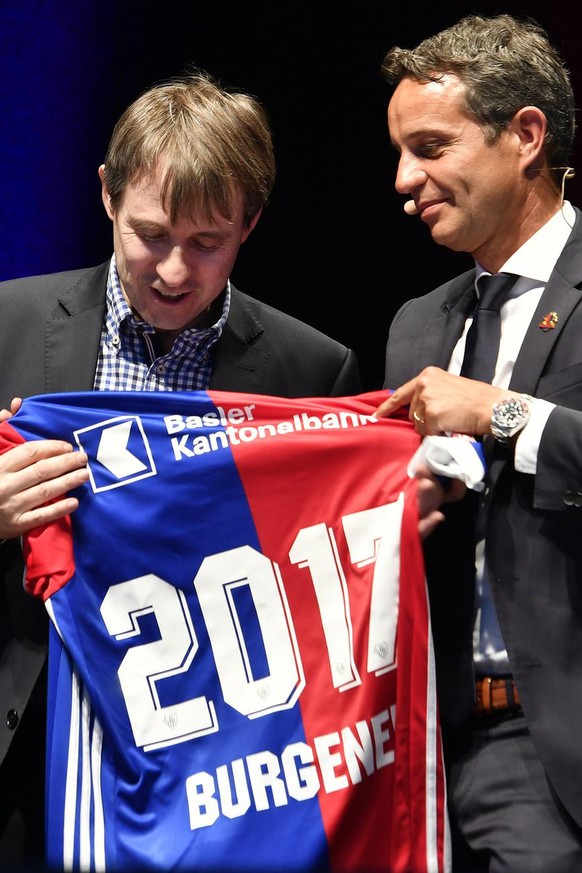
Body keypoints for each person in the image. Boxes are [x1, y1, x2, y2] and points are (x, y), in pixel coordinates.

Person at [0, 69, 362, 866]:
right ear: (106, 194)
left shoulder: (312, 372)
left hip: (203, 769)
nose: (171, 271)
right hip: (21, 742)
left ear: (251, 223)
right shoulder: (7, 324)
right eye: (150, 234)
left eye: (206, 244)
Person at [375, 13, 582, 873]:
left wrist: (500, 415)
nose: (402, 179)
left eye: (429, 147)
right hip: (418, 747)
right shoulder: (417, 322)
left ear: (525, 135)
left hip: (552, 743)